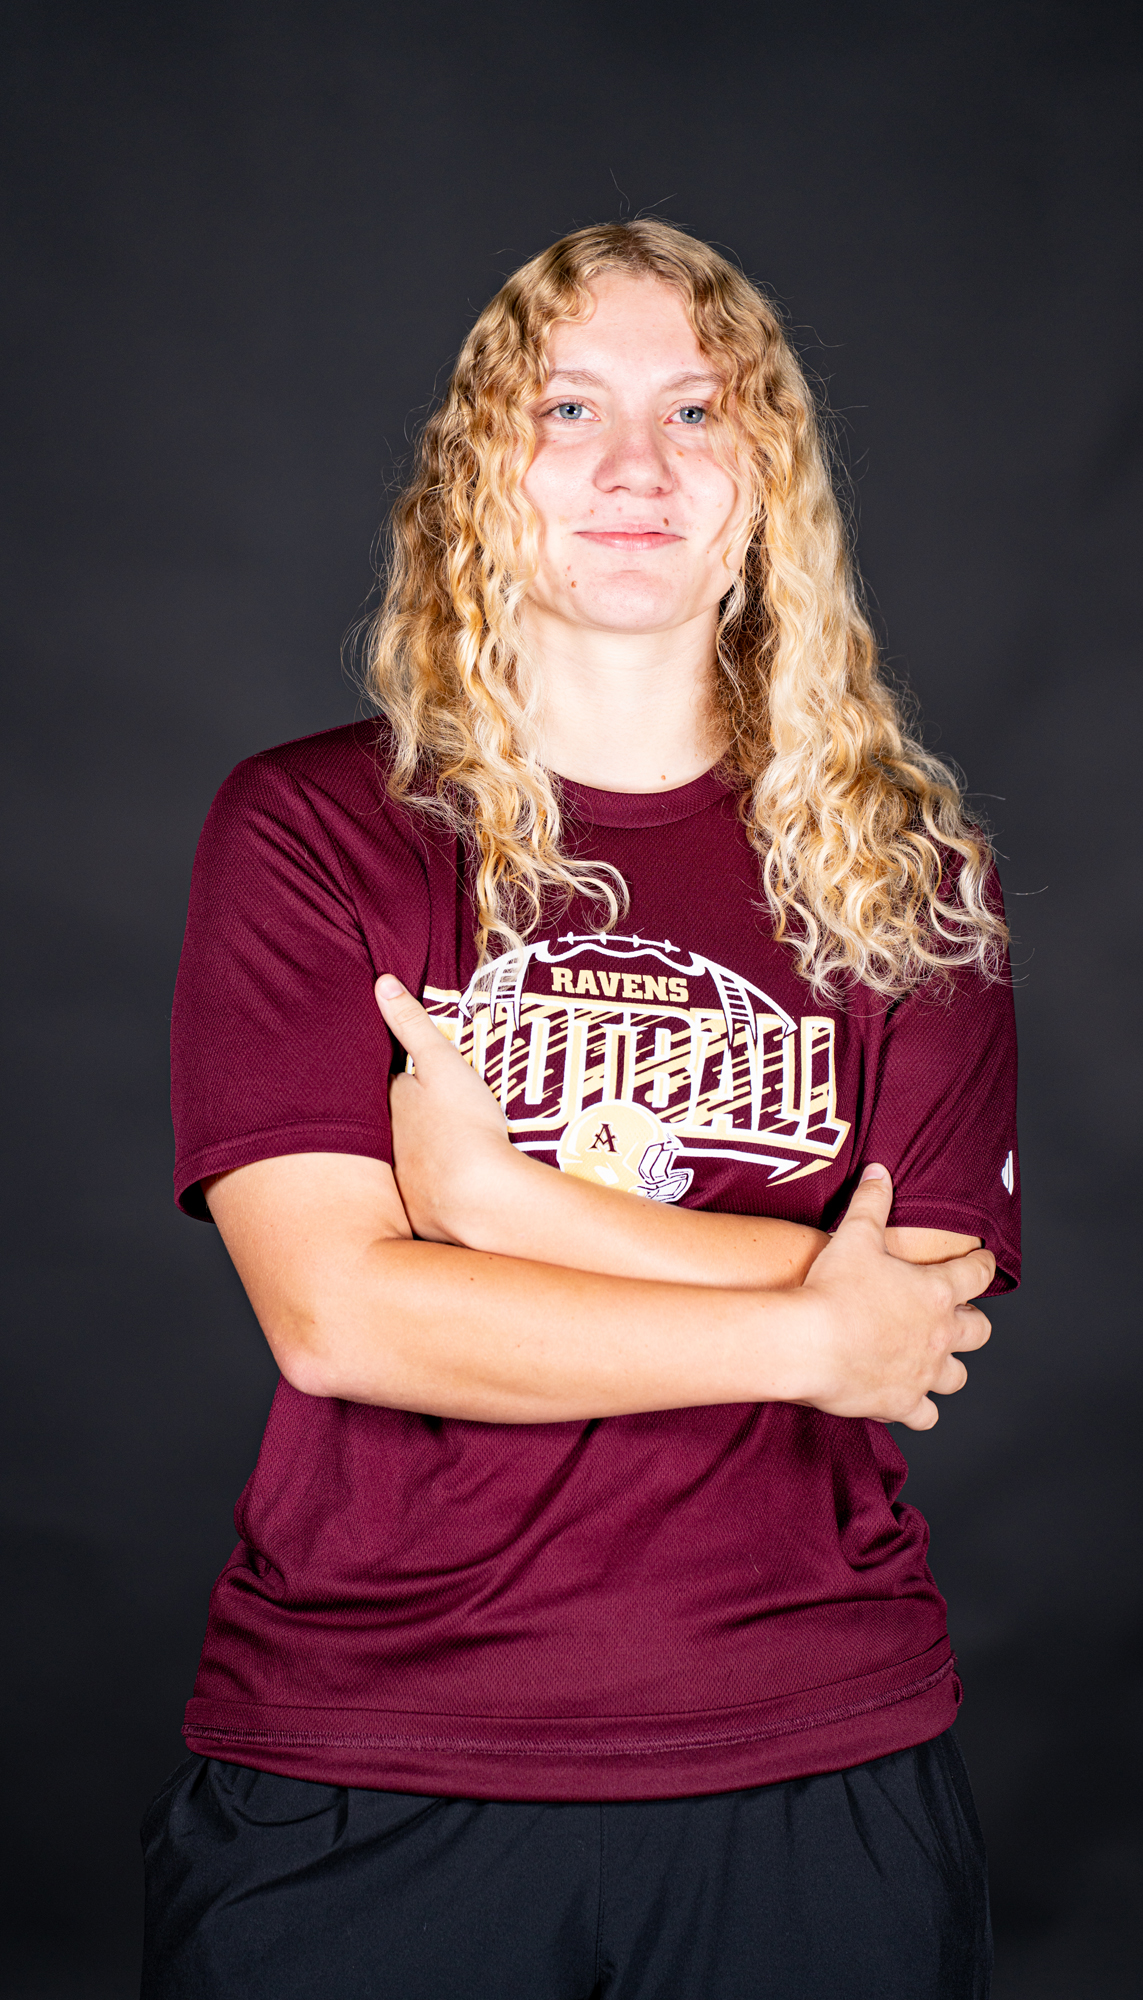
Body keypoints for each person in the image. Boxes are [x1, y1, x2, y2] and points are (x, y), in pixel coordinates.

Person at [142, 218, 1020, 2000]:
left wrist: (506, 1211)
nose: (636, 466)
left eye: (696, 411)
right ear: (483, 471)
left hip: (810, 1754)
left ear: (764, 484)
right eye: (566, 409)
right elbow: (344, 1319)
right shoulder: (314, 831)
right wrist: (803, 1330)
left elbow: (919, 1314)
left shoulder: (905, 873)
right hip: (367, 1762)